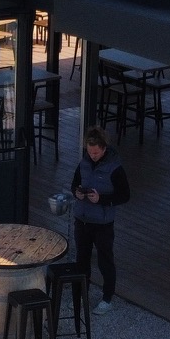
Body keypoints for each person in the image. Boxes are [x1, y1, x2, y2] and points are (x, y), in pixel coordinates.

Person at [69, 126, 131, 314]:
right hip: (82, 219)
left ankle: (107, 298)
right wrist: (77, 193)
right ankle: (81, 296)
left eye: (96, 152)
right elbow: (74, 184)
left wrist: (102, 199)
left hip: (103, 223)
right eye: (90, 152)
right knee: (82, 259)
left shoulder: (115, 168)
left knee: (105, 260)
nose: (92, 155)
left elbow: (125, 195)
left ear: (104, 148)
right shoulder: (84, 163)